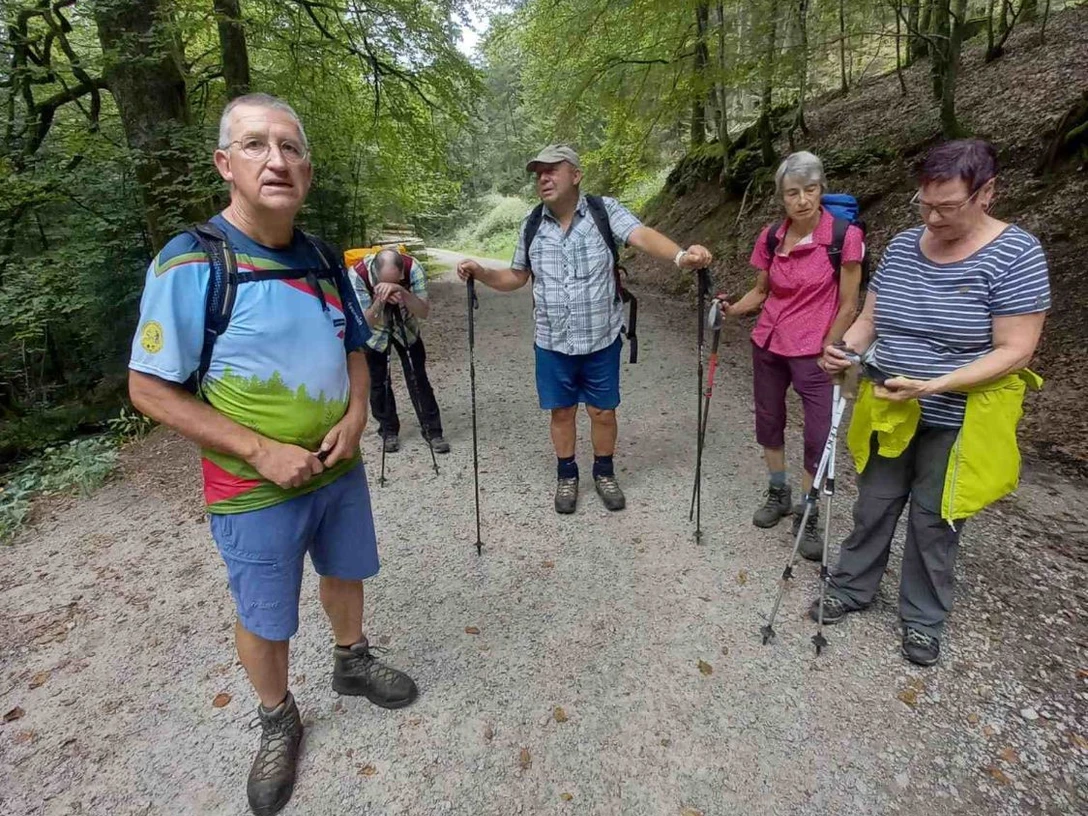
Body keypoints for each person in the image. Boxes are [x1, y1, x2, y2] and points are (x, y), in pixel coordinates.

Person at [127, 93, 418, 816]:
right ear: (226, 163)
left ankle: (351, 663)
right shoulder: (191, 263)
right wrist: (259, 449)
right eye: (256, 145)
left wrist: (357, 415)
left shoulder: (322, 257)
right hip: (252, 485)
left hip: (339, 467)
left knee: (346, 573)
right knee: (265, 612)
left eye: (290, 147)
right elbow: (148, 390)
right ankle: (277, 717)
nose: (277, 160)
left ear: (308, 171)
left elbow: (355, 345)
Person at [811, 139, 1050, 667]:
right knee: (873, 503)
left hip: (960, 415)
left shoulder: (1017, 254)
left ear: (986, 193)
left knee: (934, 519)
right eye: (925, 204)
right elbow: (870, 320)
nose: (932, 216)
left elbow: (1016, 350)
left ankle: (922, 619)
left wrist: (935, 385)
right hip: (889, 403)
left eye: (947, 206)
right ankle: (851, 587)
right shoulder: (900, 246)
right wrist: (844, 349)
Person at [456, 144, 712, 514]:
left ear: (575, 174)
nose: (543, 178)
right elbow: (516, 276)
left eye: (552, 170)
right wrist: (481, 272)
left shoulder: (603, 211)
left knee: (602, 412)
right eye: (538, 173)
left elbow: (640, 234)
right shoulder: (531, 224)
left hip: (600, 338)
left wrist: (679, 256)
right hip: (552, 341)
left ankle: (604, 472)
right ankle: (567, 475)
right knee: (561, 412)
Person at [719, 152, 863, 559]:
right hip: (769, 342)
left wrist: (830, 344)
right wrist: (731, 310)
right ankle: (778, 491)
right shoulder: (771, 237)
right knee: (769, 419)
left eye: (810, 190)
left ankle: (809, 509)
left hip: (816, 351)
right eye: (792, 193)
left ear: (821, 190)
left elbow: (850, 302)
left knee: (818, 433)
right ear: (782, 198)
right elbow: (762, 291)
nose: (802, 200)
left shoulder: (843, 236)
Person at [350, 248, 450, 454]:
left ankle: (433, 431)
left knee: (418, 378)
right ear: (375, 273)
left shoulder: (413, 267)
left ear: (402, 271)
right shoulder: (357, 275)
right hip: (375, 333)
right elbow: (366, 322)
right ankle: (388, 431)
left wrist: (402, 292)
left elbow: (423, 311)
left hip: (407, 327)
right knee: (378, 383)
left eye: (397, 279)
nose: (392, 284)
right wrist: (381, 299)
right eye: (386, 281)